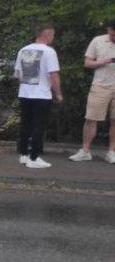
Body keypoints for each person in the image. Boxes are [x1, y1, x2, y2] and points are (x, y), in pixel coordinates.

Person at [14, 23, 63, 169]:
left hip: (25, 93)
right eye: (53, 35)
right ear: (46, 34)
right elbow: (53, 74)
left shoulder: (23, 50)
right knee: (38, 126)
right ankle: (34, 157)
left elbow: (17, 74)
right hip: (41, 95)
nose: (53, 37)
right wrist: (58, 93)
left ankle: (23, 154)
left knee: (25, 125)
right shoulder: (49, 52)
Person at [69, 21, 115, 163]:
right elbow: (87, 63)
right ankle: (85, 151)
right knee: (91, 118)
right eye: (113, 34)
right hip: (100, 85)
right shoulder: (97, 40)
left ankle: (112, 152)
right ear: (109, 30)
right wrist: (104, 62)